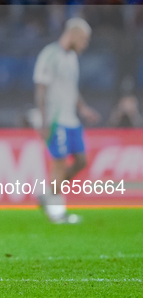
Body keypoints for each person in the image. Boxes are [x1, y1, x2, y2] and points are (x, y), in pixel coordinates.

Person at [33, 17, 100, 224]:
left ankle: (48, 195)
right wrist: (43, 121)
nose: (85, 44)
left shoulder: (72, 58)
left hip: (71, 119)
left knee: (81, 161)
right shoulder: (50, 54)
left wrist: (83, 108)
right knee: (59, 164)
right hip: (55, 119)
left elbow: (71, 88)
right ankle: (57, 211)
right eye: (83, 39)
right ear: (72, 35)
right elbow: (41, 88)